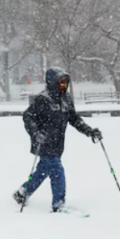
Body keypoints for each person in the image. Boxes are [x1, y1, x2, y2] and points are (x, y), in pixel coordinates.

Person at [13, 68, 101, 212]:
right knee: (57, 171)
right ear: (52, 82)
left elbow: (74, 119)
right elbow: (27, 116)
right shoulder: (43, 99)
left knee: (43, 170)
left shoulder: (65, 99)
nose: (63, 85)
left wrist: (89, 131)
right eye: (60, 82)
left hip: (58, 144)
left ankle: (22, 193)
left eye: (65, 82)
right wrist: (36, 133)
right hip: (44, 142)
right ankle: (58, 204)